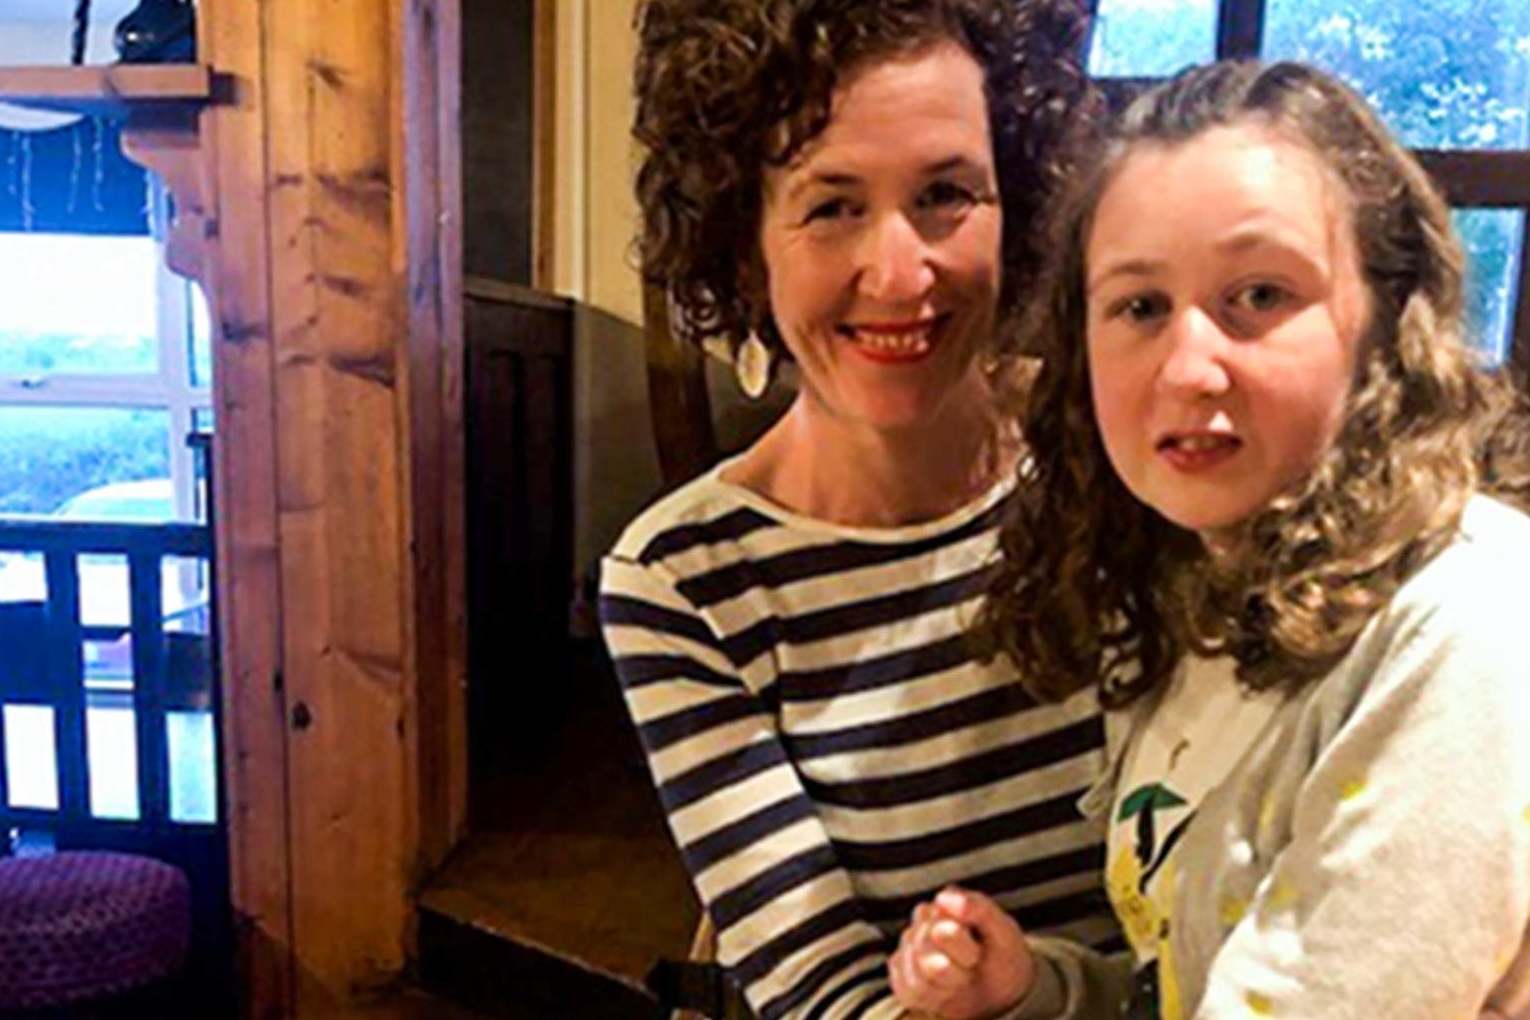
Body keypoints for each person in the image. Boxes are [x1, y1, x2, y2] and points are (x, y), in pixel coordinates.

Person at [888, 59, 1530, 1020]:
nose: (1190, 367)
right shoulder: (1191, 601)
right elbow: (1193, 978)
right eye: (1140, 307)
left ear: (1388, 324)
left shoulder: (1463, 625)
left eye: (1260, 296)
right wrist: (1043, 991)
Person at [598, 3, 1121, 1019]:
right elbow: (825, 997)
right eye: (831, 206)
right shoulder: (681, 581)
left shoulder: (1115, 447)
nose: (899, 274)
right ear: (743, 241)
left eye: (946, 194)